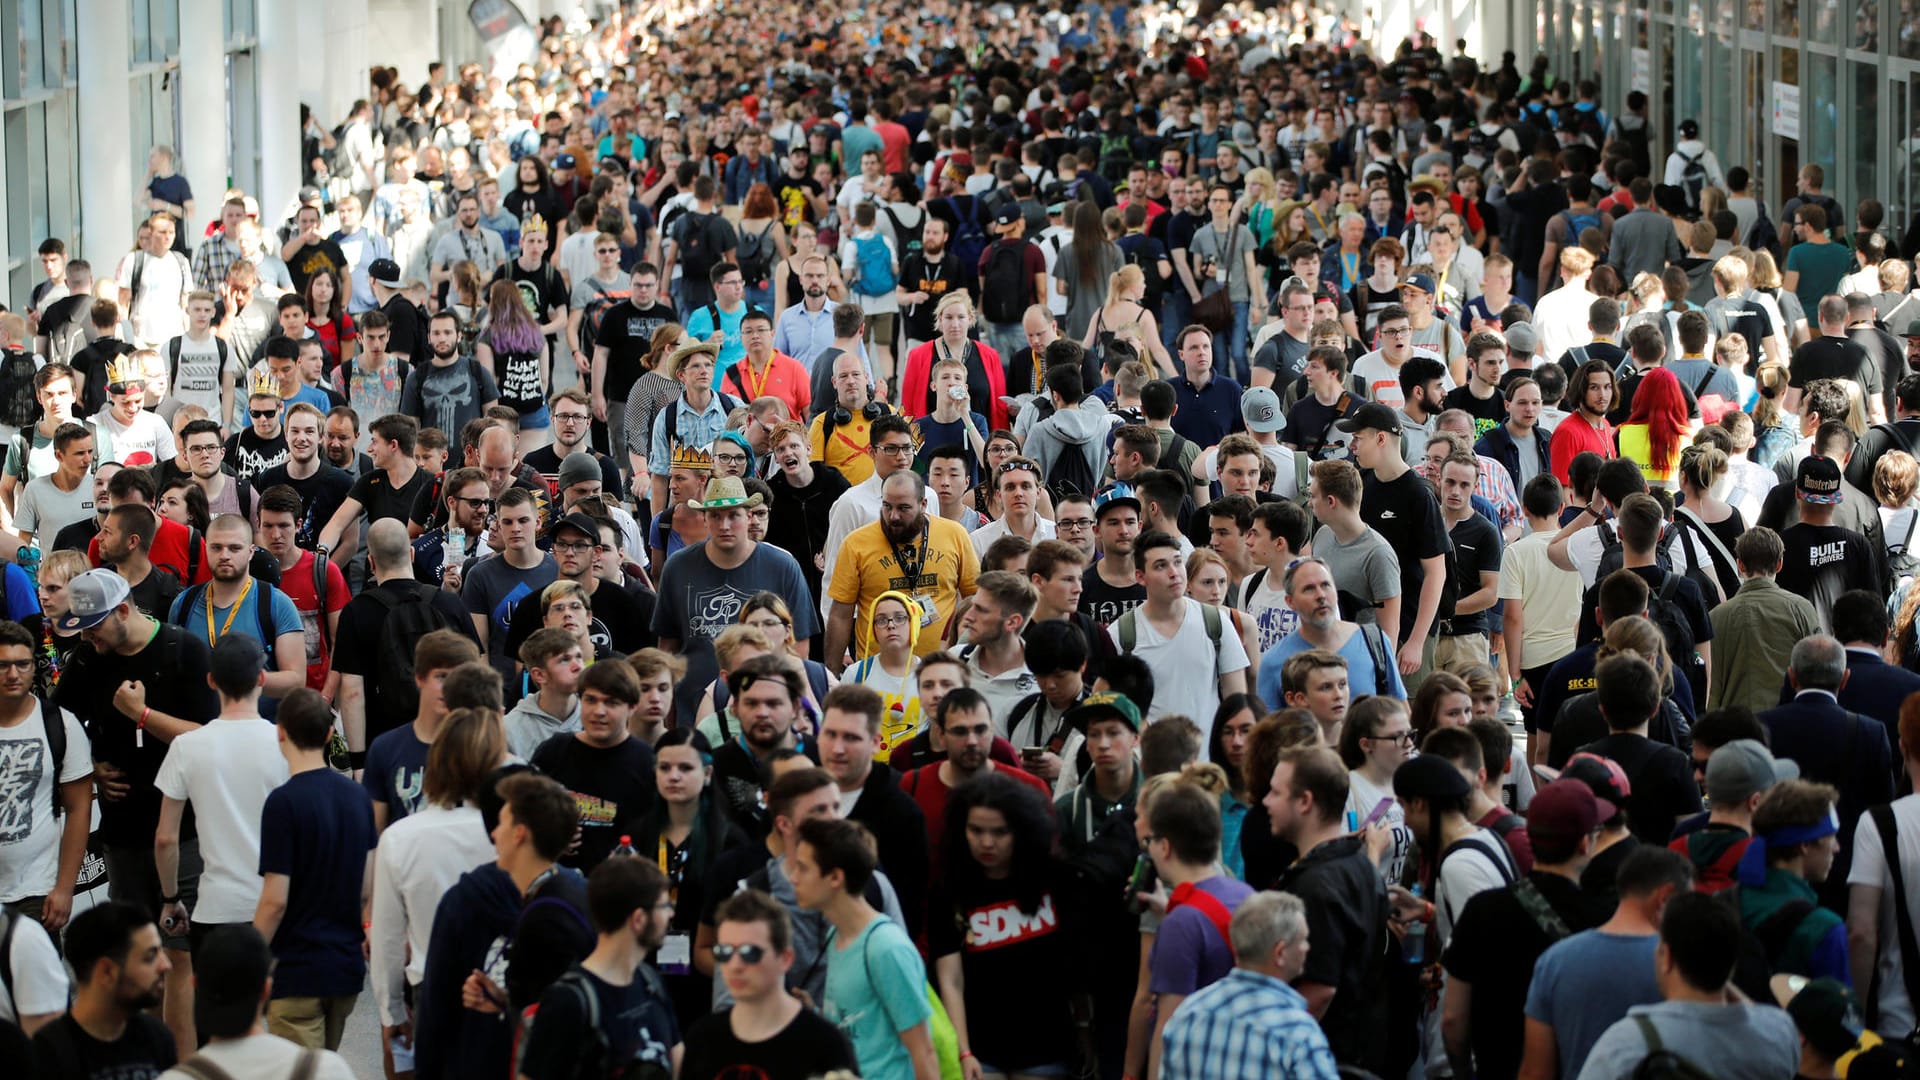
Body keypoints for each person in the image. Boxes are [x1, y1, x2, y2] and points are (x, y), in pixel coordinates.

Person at [1442, 779, 1614, 1079]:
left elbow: (1453, 1020)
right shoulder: (1605, 918)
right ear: (1586, 844)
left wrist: (1463, 1072)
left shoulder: (1482, 909)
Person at [931, 773, 1080, 1077]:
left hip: (1047, 1047)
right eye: (976, 830)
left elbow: (1077, 963)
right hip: (981, 1051)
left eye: (1000, 832)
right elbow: (951, 980)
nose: (987, 842)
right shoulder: (949, 888)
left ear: (1022, 831)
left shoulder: (1055, 879)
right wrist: (964, 1050)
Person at [252, 688, 376, 1050]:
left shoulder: (283, 803)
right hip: (345, 968)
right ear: (328, 735)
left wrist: (251, 958)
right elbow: (366, 888)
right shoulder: (357, 797)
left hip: (298, 971)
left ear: (280, 732)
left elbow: (275, 900)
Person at [153, 635, 287, 957]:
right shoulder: (286, 743)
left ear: (211, 681)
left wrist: (171, 899)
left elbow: (165, 839)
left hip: (216, 910)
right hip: (280, 904)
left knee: (224, 1007)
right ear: (261, 678)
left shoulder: (186, 746)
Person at [1575, 892, 1799, 1079]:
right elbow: (1756, 1017)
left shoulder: (1626, 1045)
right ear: (1733, 963)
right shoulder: (1780, 1032)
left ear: (1667, 957)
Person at [1263, 745, 1389, 1072]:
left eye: (1276, 792)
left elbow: (1319, 991)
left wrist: (1273, 1052)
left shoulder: (1315, 887)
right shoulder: (1360, 864)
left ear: (1305, 802)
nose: (1266, 801)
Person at [789, 816, 942, 1079]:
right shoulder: (838, 935)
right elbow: (859, 1026)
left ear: (835, 877)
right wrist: (814, 1013)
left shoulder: (886, 948)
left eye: (803, 868)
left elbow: (924, 1052)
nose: (793, 878)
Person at [516, 857, 683, 1080]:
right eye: (664, 906)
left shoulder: (650, 981)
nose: (671, 914)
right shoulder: (568, 1002)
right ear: (639, 919)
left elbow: (676, 1054)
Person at [1157, 889, 1339, 1080]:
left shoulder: (1188, 1013)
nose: (1307, 947)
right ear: (1280, 953)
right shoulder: (1297, 1033)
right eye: (1303, 940)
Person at [681, 888, 859, 1078]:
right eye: (724, 952)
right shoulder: (703, 1039)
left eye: (750, 953)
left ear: (785, 958)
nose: (735, 965)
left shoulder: (824, 1043)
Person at [28, 901, 177, 1076]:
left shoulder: (157, 1037)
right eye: (150, 956)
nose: (166, 965)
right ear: (106, 972)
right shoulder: (49, 1053)